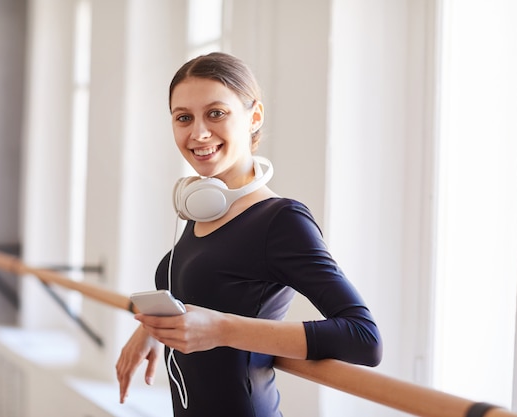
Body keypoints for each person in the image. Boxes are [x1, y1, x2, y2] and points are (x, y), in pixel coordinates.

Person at [115, 51, 382, 417]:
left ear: (253, 117)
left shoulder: (281, 220)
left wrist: (222, 330)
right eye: (183, 118)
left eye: (216, 113)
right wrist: (151, 328)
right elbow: (206, 290)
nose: (198, 133)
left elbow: (363, 339)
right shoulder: (202, 210)